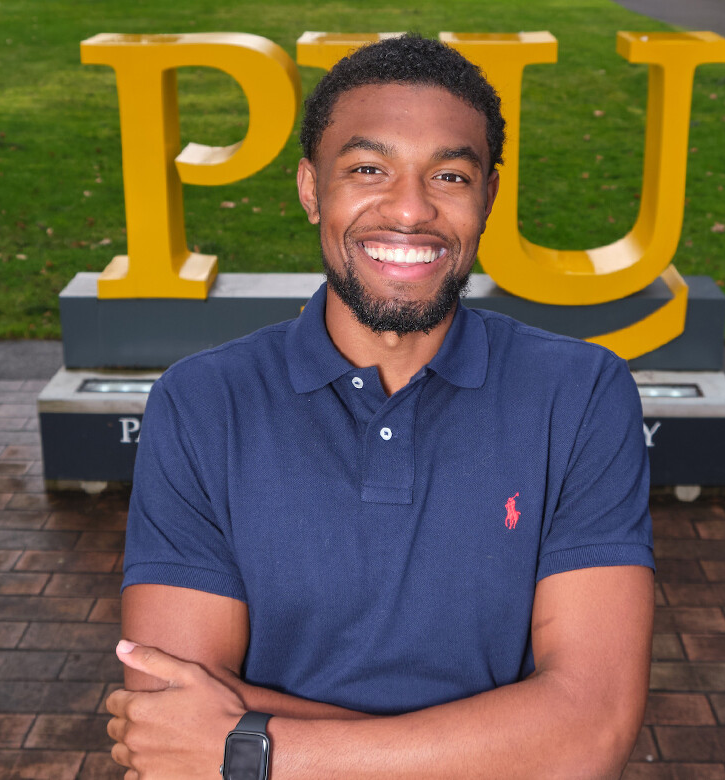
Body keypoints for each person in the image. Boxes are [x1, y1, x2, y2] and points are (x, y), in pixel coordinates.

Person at [107, 34, 655, 780]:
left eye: (450, 176)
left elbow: (590, 734)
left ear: (488, 198)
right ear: (310, 190)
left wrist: (253, 747)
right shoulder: (203, 403)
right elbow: (168, 721)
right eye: (368, 169)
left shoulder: (582, 395)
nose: (409, 210)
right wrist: (509, 745)